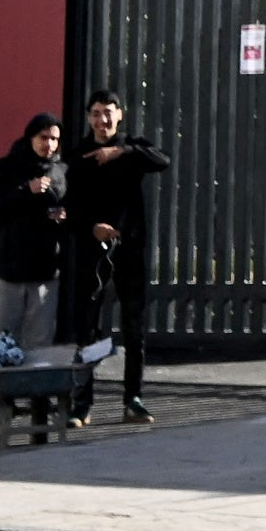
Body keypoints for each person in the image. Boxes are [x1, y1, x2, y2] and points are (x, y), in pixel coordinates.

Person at [63, 91, 169, 423]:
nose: (102, 120)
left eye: (108, 113)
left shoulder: (132, 149)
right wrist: (91, 227)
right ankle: (83, 403)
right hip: (91, 251)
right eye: (95, 113)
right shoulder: (78, 155)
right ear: (88, 117)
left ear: (119, 115)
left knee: (134, 327)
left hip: (130, 250)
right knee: (87, 329)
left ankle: (132, 399)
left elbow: (162, 160)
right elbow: (70, 206)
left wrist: (119, 151)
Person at [0, 114, 68, 362]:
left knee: (39, 342)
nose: (49, 144)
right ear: (30, 138)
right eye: (43, 138)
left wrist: (64, 215)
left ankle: (37, 396)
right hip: (9, 269)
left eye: (54, 139)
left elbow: (75, 209)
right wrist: (26, 191)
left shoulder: (62, 172)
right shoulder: (5, 168)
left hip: (45, 270)